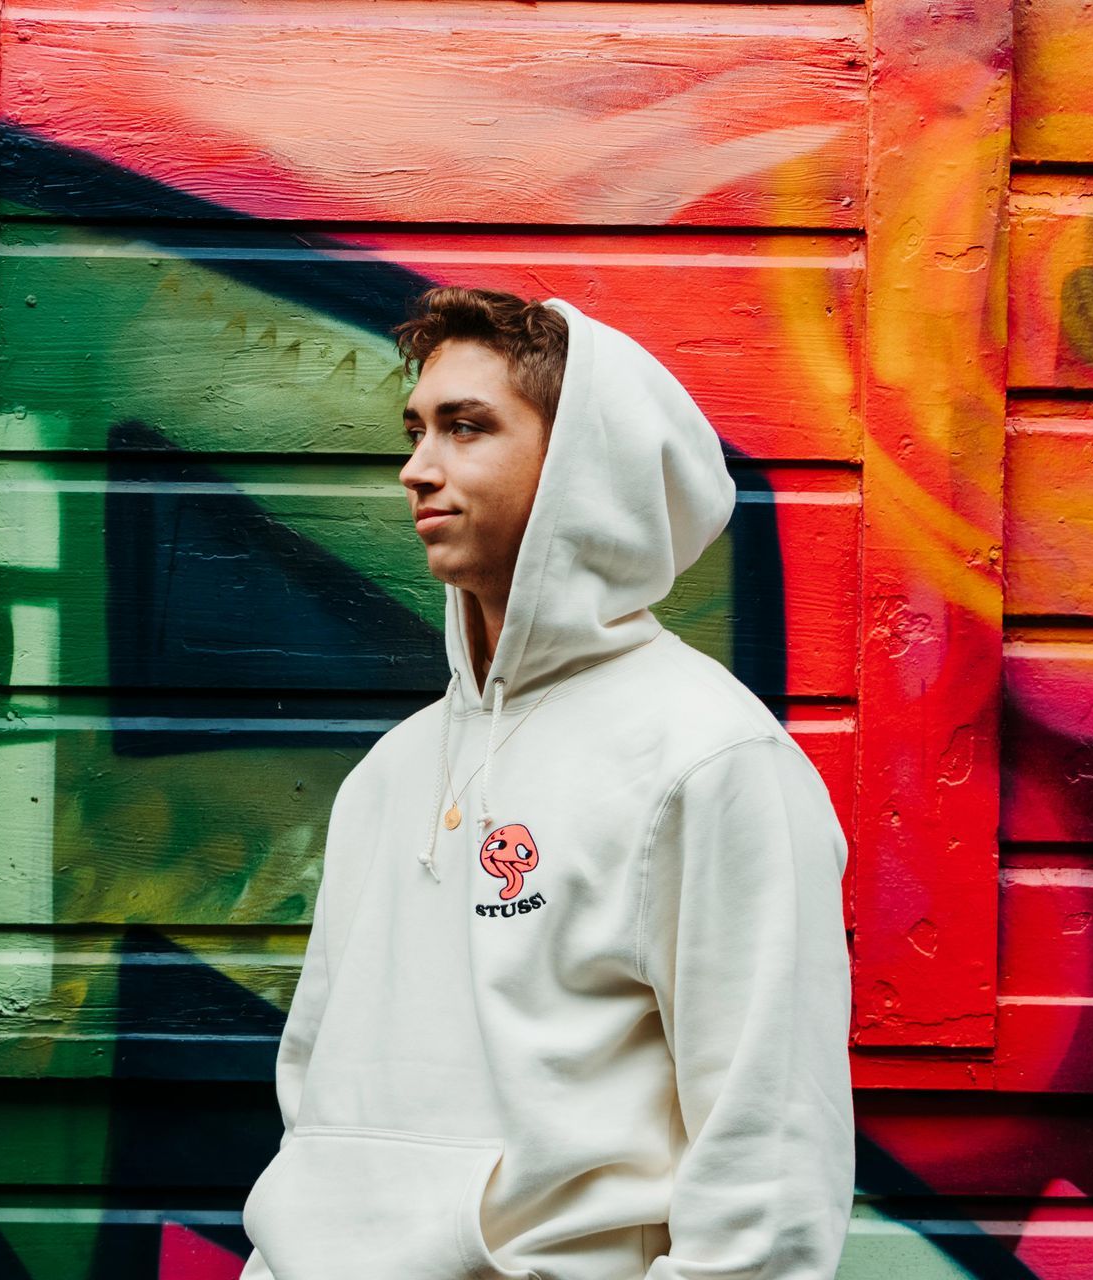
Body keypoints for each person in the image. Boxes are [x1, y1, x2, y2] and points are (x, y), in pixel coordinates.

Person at [238, 286, 854, 1280]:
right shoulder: (390, 773)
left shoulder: (712, 760)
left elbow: (772, 1169)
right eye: (416, 429)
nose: (417, 468)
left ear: (582, 470)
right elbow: (316, 1107)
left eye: (467, 428)